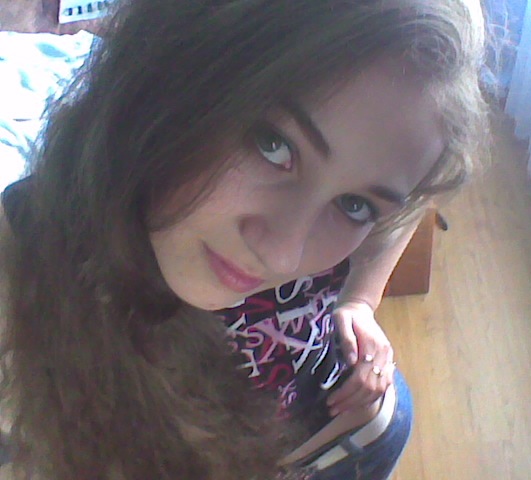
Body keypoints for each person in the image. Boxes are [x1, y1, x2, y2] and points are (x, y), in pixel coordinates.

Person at [0, 0, 489, 479]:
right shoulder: (27, 262)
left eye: (354, 205)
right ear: (168, 73)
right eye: (273, 145)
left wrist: (361, 299)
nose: (283, 256)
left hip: (341, 433)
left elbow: (408, 208)